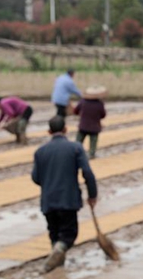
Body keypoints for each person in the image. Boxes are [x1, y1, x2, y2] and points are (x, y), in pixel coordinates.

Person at [31, 116, 98, 273]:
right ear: (66, 130)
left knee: (54, 233)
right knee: (69, 234)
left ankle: (58, 265)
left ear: (49, 131)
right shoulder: (75, 148)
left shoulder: (40, 152)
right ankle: (59, 252)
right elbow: (87, 173)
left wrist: (49, 183)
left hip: (48, 199)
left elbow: (35, 178)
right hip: (68, 199)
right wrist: (92, 194)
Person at [74, 86, 107, 159]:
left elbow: (76, 111)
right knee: (93, 145)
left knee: (78, 142)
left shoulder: (83, 101)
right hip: (94, 127)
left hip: (83, 126)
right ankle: (91, 155)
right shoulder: (100, 104)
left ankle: (75, 154)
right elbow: (103, 115)